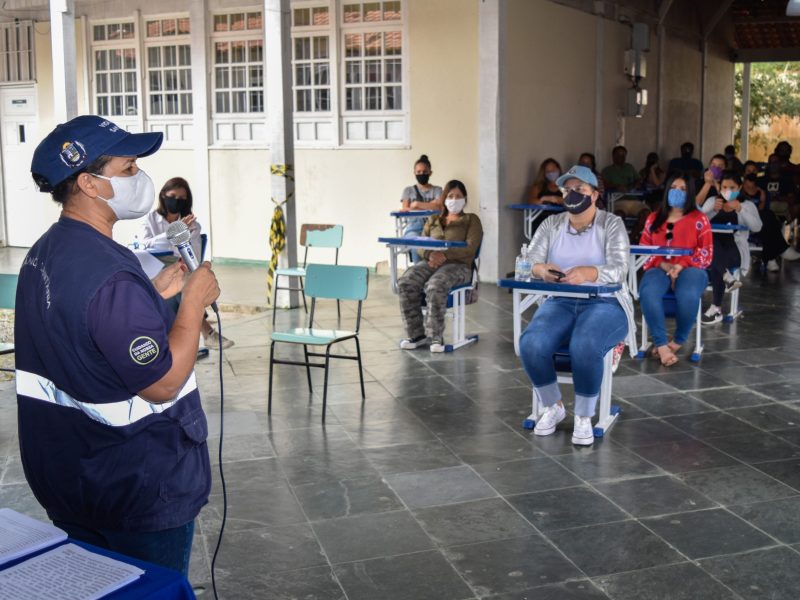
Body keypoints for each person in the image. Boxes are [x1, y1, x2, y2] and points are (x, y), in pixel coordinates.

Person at [18, 115, 219, 574]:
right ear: (90, 184)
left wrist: (152, 295)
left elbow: (85, 336)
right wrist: (191, 305)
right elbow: (163, 383)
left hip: (73, 478)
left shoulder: (44, 253)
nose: (140, 179)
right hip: (136, 485)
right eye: (128, 169)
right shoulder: (111, 275)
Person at [519, 165, 636, 446]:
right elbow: (528, 261)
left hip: (605, 302)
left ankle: (584, 416)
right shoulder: (551, 224)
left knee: (584, 344)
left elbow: (620, 269)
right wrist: (540, 270)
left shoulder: (611, 223)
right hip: (560, 299)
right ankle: (554, 406)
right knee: (531, 343)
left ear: (594, 195)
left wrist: (590, 273)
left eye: (580, 190)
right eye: (568, 190)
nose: (572, 195)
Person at [141, 177, 233, 349]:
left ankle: (183, 340)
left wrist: (182, 234)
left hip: (179, 268)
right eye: (173, 196)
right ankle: (207, 333)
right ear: (163, 196)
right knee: (178, 284)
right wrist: (172, 232)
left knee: (182, 282)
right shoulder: (151, 219)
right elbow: (144, 244)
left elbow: (194, 256)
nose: (176, 201)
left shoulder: (193, 225)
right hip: (154, 268)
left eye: (182, 198)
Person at [398, 180, 482, 353]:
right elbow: (421, 244)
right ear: (444, 199)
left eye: (458, 196)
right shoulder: (434, 219)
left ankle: (435, 337)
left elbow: (471, 247)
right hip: (431, 261)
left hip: (459, 265)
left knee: (436, 284)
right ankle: (416, 335)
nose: (454, 200)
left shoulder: (471, 220)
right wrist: (430, 255)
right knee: (406, 281)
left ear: (465, 199)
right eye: (450, 196)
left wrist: (445, 254)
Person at [638, 175, 712, 366]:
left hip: (691, 267)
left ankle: (678, 341)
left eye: (683, 188)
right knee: (648, 292)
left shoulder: (699, 219)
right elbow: (644, 249)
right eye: (674, 187)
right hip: (659, 267)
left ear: (690, 193)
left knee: (687, 294)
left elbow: (706, 251)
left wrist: (681, 265)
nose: (677, 191)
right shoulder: (653, 218)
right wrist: (663, 264)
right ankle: (662, 346)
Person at [700, 171, 762, 324]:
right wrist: (712, 210)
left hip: (734, 249)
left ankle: (716, 308)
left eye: (732, 188)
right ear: (719, 187)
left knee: (716, 260)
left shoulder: (747, 205)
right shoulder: (712, 201)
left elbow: (757, 227)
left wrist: (740, 209)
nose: (728, 191)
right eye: (724, 187)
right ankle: (726, 280)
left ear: (740, 188)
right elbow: (698, 224)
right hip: (712, 248)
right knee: (713, 246)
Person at [740, 173, 800, 271]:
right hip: (744, 221)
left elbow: (760, 210)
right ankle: (780, 251)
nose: (750, 188)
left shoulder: (760, 192)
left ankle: (772, 258)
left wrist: (762, 198)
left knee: (768, 219)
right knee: (768, 217)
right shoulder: (738, 193)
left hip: (757, 221)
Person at [399, 154, 443, 262]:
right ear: (414, 173)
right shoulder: (408, 190)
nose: (421, 174)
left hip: (433, 228)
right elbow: (406, 210)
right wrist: (431, 204)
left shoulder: (437, 190)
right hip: (414, 229)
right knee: (416, 245)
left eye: (424, 172)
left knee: (437, 247)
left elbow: (439, 207)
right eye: (418, 172)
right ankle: (417, 273)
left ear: (430, 173)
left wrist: (417, 205)